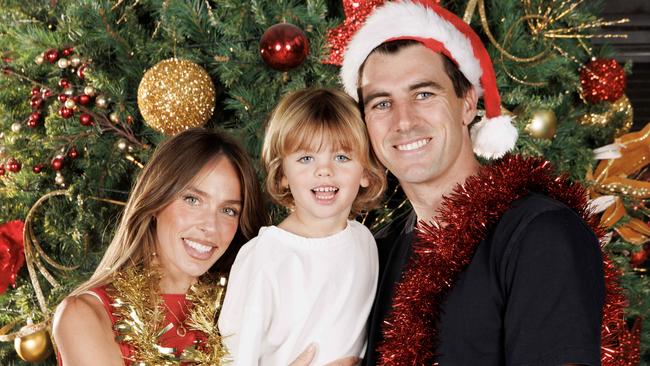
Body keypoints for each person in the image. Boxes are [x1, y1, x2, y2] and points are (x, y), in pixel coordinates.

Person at [339, 1, 609, 365]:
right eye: (381, 103)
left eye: (423, 94)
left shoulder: (540, 235)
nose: (403, 121)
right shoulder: (377, 252)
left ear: (468, 102)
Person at [53, 128, 267, 365]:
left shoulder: (239, 309)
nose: (211, 227)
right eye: (193, 200)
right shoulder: (85, 315)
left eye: (228, 210)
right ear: (157, 200)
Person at [218, 87, 387, 365]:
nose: (324, 170)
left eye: (341, 157)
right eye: (306, 158)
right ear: (283, 174)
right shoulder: (264, 257)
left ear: (366, 172)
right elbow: (234, 357)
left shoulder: (364, 242)